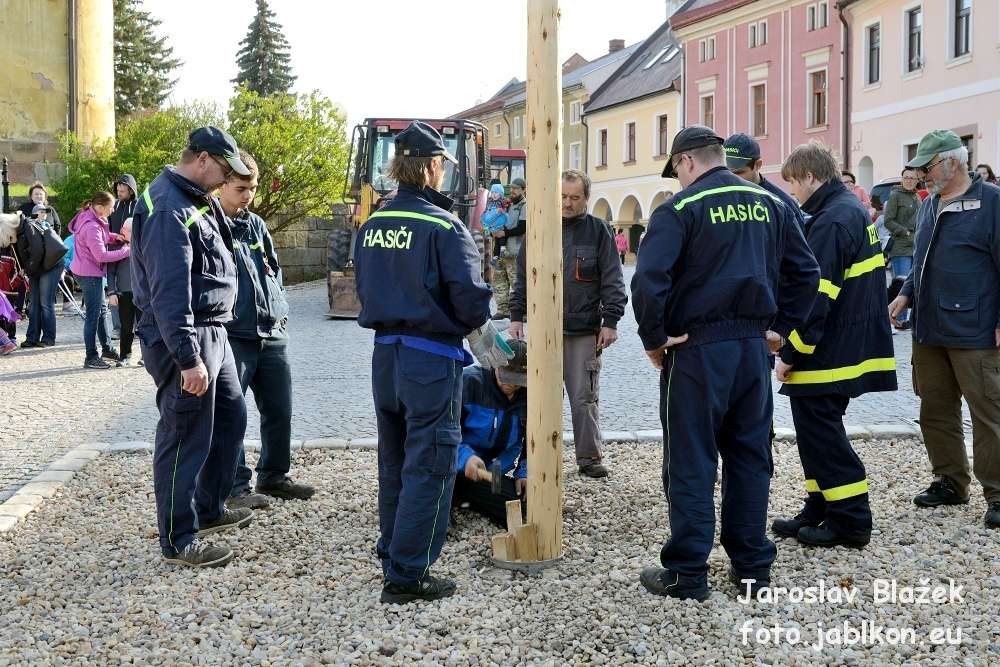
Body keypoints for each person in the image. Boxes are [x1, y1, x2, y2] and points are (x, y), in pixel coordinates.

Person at [631, 126, 820, 600]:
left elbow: (649, 281)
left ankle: (687, 572)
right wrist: (781, 327)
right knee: (751, 456)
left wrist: (655, 338)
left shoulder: (679, 208)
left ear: (686, 162)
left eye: (676, 171)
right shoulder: (774, 204)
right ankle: (752, 567)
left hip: (695, 348)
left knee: (691, 459)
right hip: (752, 348)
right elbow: (806, 273)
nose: (678, 179)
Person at [353, 121, 510, 603]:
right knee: (432, 463)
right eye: (442, 165)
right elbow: (471, 303)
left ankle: (392, 547)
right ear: (432, 167)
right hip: (432, 359)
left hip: (386, 356)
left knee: (394, 459)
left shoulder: (373, 223)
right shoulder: (445, 226)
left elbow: (362, 286)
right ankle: (408, 574)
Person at [131, 126, 255, 568]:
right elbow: (168, 291)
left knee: (230, 419)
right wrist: (188, 358)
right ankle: (179, 538)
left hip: (213, 331)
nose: (226, 180)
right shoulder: (168, 206)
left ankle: (209, 508)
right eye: (224, 170)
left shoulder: (193, 198)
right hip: (187, 337)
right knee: (184, 436)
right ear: (202, 159)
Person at [773, 142, 897, 549]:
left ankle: (850, 518)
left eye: (793, 184)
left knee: (823, 435)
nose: (792, 194)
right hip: (844, 345)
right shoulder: (846, 210)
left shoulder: (830, 221)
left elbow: (817, 296)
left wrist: (791, 352)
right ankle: (820, 505)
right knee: (813, 433)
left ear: (810, 176)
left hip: (830, 351)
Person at [890, 130, 1000, 530]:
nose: (922, 175)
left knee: (988, 412)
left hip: (976, 328)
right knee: (934, 408)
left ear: (953, 161)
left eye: (928, 166)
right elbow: (922, 260)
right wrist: (905, 294)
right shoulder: (927, 205)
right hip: (928, 327)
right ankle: (950, 481)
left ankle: (998, 493)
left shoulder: (992, 203)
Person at [509, 169, 628, 479]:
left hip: (583, 331)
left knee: (583, 398)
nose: (567, 203)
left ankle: (588, 457)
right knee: (538, 399)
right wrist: (516, 318)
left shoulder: (599, 231)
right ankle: (534, 460)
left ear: (586, 198)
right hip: (543, 330)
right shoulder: (539, 229)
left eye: (575, 197)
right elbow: (523, 277)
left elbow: (614, 279)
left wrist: (611, 321)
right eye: (562, 196)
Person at [216, 150, 315, 510]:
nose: (248, 195)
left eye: (253, 188)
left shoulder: (256, 224)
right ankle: (235, 487)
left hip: (271, 333)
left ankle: (273, 476)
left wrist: (281, 311)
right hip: (233, 336)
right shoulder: (210, 225)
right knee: (231, 415)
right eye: (241, 188)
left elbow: (273, 270)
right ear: (222, 183)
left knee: (280, 410)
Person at [454, 338, 528, 527]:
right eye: (505, 376)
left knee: (520, 509)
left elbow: (533, 443)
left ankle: (468, 496)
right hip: (455, 462)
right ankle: (450, 498)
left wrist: (525, 472)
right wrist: (466, 458)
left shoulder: (531, 396)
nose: (510, 385)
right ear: (494, 365)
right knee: (433, 499)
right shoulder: (469, 381)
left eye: (516, 380)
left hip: (492, 471)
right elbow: (445, 432)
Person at [68, 194, 130, 369]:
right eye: (111, 207)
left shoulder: (90, 216)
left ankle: (108, 349)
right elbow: (101, 255)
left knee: (102, 311)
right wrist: (126, 251)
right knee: (93, 317)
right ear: (101, 206)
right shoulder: (91, 226)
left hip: (85, 269)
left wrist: (113, 237)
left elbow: (99, 237)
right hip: (89, 274)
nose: (113, 210)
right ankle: (91, 357)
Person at [724, 133, 805, 227]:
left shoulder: (783, 204)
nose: (731, 178)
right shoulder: (716, 197)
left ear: (758, 165)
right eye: (726, 171)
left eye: (738, 172)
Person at [16, 204, 64, 348]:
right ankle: (32, 338)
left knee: (45, 303)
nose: (44, 214)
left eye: (45, 212)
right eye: (41, 211)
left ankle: (48, 338)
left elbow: (37, 251)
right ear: (34, 214)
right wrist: (28, 268)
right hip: (39, 266)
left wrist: (28, 269)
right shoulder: (28, 227)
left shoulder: (35, 227)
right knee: (34, 303)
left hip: (50, 266)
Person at [883, 168, 921, 329]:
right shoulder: (895, 195)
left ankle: (909, 320)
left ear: (917, 180)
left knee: (915, 283)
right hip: (900, 245)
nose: (909, 180)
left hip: (916, 245)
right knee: (901, 283)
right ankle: (898, 318)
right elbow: (888, 221)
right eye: (906, 177)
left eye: (912, 178)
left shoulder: (918, 196)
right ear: (902, 179)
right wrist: (903, 231)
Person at [106, 218, 141, 366]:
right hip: (124, 293)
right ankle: (125, 355)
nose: (122, 232)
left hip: (143, 293)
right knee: (126, 327)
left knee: (145, 327)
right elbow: (111, 272)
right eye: (124, 229)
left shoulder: (144, 245)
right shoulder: (116, 248)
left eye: (126, 230)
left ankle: (148, 356)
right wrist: (112, 292)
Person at [108, 175, 139, 338]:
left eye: (123, 191)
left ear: (131, 191)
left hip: (134, 250)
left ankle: (138, 326)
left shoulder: (138, 205)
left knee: (134, 290)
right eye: (118, 190)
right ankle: (118, 327)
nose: (119, 193)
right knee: (115, 290)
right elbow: (109, 226)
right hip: (116, 249)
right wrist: (114, 239)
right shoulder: (115, 205)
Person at [492, 178, 527, 320]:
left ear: (523, 190)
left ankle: (524, 312)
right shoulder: (506, 204)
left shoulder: (525, 205)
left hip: (515, 251)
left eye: (516, 188)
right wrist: (493, 230)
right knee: (499, 280)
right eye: (512, 188)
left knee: (517, 282)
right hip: (500, 251)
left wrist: (504, 233)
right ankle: (503, 310)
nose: (513, 191)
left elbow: (523, 227)